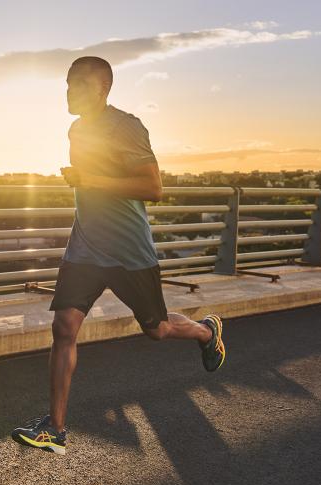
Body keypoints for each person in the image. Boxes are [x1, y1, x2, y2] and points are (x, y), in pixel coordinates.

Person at [11, 56, 226, 455]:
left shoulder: (126, 126)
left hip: (129, 251)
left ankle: (206, 331)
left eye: (77, 84)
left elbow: (153, 188)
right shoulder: (76, 129)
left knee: (157, 329)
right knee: (63, 328)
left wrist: (90, 179)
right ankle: (54, 429)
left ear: (102, 89)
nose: (69, 91)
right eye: (66, 83)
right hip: (86, 247)